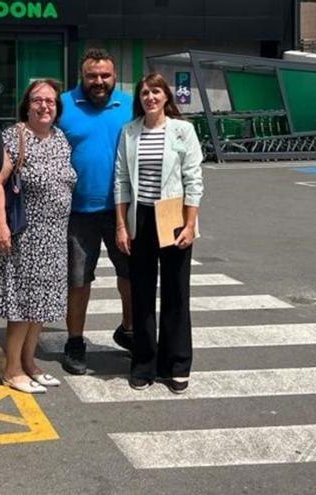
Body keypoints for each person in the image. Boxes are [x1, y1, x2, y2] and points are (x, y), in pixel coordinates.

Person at [114, 73, 203, 393]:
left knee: (176, 293)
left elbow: (194, 180)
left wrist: (190, 224)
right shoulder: (129, 132)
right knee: (141, 293)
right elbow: (121, 180)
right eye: (144, 93)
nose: (150, 97)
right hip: (141, 217)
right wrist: (122, 224)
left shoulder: (183, 131)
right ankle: (143, 363)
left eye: (156, 92)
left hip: (173, 215)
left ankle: (176, 364)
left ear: (167, 97)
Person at [0, 79, 77, 394]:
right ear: (27, 105)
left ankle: (30, 363)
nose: (44, 106)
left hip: (54, 236)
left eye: (50, 101)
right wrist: (1, 226)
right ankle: (12, 368)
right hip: (26, 236)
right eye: (38, 100)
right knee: (23, 305)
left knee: (41, 306)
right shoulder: (15, 137)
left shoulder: (61, 138)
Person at [57, 48, 134, 375]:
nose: (98, 81)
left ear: (114, 77)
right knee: (78, 281)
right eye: (92, 76)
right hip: (76, 212)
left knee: (130, 276)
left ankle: (129, 330)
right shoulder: (63, 105)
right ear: (82, 76)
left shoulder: (130, 104)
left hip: (123, 209)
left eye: (105, 76)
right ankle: (75, 341)